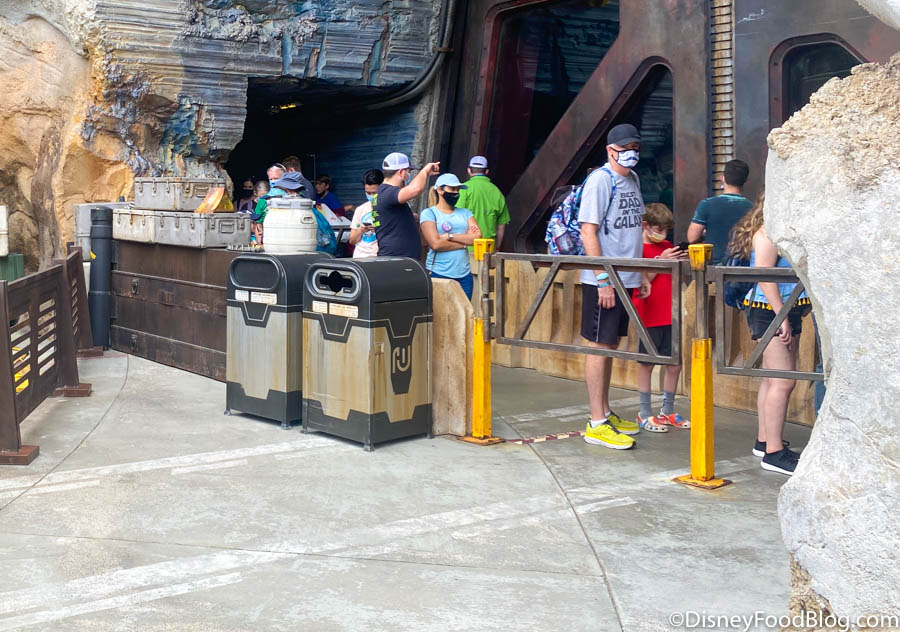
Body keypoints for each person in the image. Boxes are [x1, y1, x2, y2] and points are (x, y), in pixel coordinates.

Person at [578, 123, 650, 450]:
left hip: (627, 276)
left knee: (610, 345)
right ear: (610, 150)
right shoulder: (600, 180)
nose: (631, 153)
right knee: (599, 345)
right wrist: (603, 279)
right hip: (604, 280)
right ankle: (596, 422)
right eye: (624, 148)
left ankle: (605, 413)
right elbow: (588, 231)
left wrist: (642, 273)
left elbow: (634, 229)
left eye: (635, 147)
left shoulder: (633, 179)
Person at [730, 191, 811, 476]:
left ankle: (765, 440)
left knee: (771, 378)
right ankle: (774, 452)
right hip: (772, 310)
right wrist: (781, 317)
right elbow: (765, 276)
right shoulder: (766, 234)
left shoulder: (776, 233)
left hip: (781, 309)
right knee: (782, 381)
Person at [631, 203, 689, 433]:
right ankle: (644, 412)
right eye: (659, 229)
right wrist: (661, 260)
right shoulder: (637, 249)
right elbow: (642, 280)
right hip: (649, 314)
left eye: (666, 230)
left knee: (675, 364)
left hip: (670, 312)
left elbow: (677, 276)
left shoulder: (667, 247)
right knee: (646, 363)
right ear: (645, 226)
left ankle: (667, 410)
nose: (663, 234)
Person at [420, 174, 482, 299]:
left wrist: (450, 236)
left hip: (464, 276)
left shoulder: (465, 213)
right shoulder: (429, 213)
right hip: (439, 273)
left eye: (458, 190)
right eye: (452, 189)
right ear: (439, 190)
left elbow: (477, 238)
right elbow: (436, 244)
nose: (456, 193)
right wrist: (465, 242)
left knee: (464, 310)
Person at [371, 152, 440, 259]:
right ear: (401, 172)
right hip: (395, 259)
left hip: (401, 258)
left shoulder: (384, 193)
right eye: (409, 172)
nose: (409, 176)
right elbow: (415, 189)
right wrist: (425, 171)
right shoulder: (387, 192)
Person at [687, 159, 752, 265]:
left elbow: (692, 238)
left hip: (713, 266)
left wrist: (706, 233)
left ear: (723, 178)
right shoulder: (752, 208)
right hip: (741, 266)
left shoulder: (706, 204)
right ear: (746, 181)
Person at [456, 156, 510, 250]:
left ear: (469, 170)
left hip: (466, 249)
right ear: (487, 171)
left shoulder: (463, 189)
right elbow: (501, 226)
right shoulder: (497, 192)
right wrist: (497, 247)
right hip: (488, 250)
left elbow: (456, 217)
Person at [349, 169, 384, 258]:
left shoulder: (390, 208)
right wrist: (361, 230)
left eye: (374, 193)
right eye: (368, 193)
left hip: (380, 257)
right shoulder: (360, 209)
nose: (371, 196)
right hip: (360, 257)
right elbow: (352, 240)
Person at [249, 180, 270, 248]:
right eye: (261, 196)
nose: (263, 199)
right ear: (255, 193)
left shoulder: (270, 206)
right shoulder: (248, 206)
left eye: (266, 196)